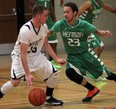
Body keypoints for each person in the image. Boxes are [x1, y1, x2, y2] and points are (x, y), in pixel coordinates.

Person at [47, 2, 116, 102]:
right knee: (69, 72)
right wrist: (38, 35)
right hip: (72, 57)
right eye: (64, 12)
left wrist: (104, 33)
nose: (65, 14)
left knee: (108, 74)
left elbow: (97, 32)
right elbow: (49, 33)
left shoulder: (83, 25)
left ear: (75, 13)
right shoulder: (61, 24)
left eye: (68, 12)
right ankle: (92, 89)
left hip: (86, 55)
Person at [0, 5, 66, 106]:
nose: (47, 18)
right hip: (20, 57)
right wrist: (28, 74)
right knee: (15, 82)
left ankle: (49, 97)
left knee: (54, 73)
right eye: (45, 15)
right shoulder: (25, 30)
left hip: (35, 56)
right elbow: (23, 54)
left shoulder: (44, 27)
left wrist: (56, 59)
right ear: (38, 16)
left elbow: (46, 45)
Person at [78, 0, 116, 80]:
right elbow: (76, 13)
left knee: (101, 46)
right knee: (97, 46)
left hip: (89, 27)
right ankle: (94, 71)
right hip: (82, 28)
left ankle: (92, 70)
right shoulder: (89, 3)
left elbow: (111, 9)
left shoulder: (100, 3)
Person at [29, 0, 61, 69]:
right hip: (40, 18)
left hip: (48, 18)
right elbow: (31, 5)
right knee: (39, 40)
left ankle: (52, 60)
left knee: (54, 40)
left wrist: (54, 18)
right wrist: (38, 14)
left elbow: (51, 7)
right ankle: (33, 61)